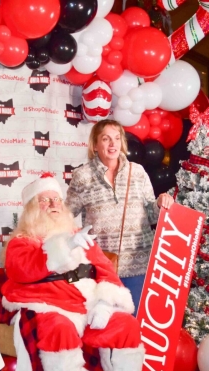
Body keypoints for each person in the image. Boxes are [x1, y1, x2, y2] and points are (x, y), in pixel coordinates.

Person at [2, 173, 149, 371]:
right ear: (32, 208)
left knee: (126, 325)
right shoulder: (22, 242)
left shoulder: (82, 238)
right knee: (60, 329)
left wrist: (105, 304)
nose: (54, 204)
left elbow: (106, 271)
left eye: (57, 199)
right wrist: (65, 245)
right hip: (48, 308)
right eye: (45, 200)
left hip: (87, 307)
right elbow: (23, 270)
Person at [66, 120, 174, 314]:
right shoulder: (82, 176)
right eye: (105, 139)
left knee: (136, 322)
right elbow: (66, 214)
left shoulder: (137, 172)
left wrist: (160, 204)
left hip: (139, 265)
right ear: (95, 145)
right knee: (106, 325)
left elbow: (151, 215)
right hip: (102, 267)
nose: (112, 144)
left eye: (117, 138)